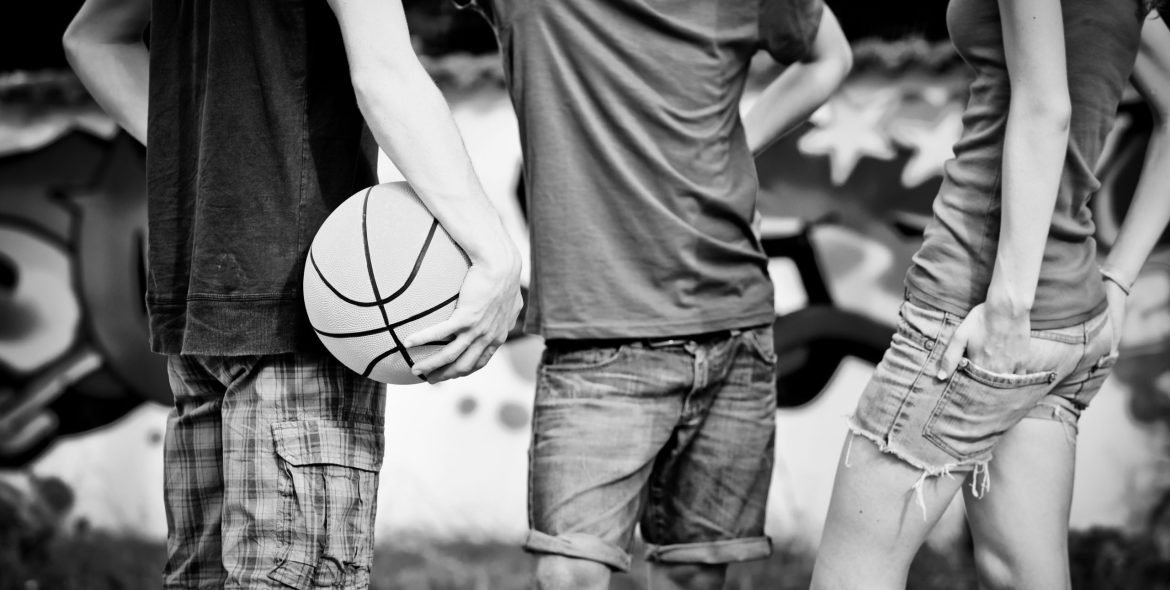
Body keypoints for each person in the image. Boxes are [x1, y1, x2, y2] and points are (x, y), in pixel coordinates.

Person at [62, 0, 522, 587]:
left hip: (199, 304)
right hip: (300, 308)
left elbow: (93, 39)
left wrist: (210, 155)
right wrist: (494, 250)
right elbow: (384, 72)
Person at [446, 1, 850, 588]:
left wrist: (737, 148)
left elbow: (829, 56)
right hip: (595, 344)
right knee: (569, 574)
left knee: (695, 576)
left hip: (733, 331)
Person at [811, 2, 1170, 589]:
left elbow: (1047, 107)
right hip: (1072, 318)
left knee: (852, 575)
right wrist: (1119, 280)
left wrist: (1009, 308)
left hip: (977, 314)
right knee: (1023, 575)